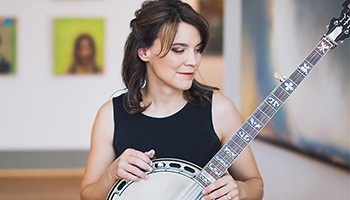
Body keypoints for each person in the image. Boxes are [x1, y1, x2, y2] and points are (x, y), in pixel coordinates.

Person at [80, 0, 263, 199]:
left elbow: (256, 185)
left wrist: (240, 191)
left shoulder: (220, 110)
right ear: (144, 51)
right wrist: (111, 174)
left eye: (198, 49)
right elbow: (87, 194)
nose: (193, 61)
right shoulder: (110, 115)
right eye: (179, 50)